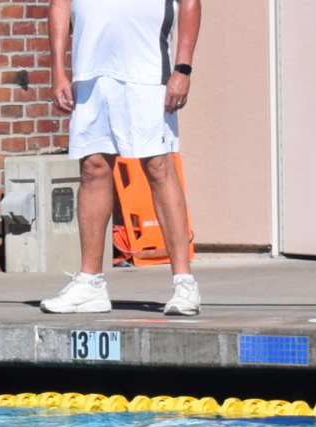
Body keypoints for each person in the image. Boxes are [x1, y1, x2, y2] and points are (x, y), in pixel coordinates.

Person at [42, 0, 202, 316]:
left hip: (147, 70)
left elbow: (190, 4)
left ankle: (184, 283)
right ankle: (91, 284)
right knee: (92, 168)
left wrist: (182, 68)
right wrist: (58, 70)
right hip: (90, 72)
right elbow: (59, 5)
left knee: (158, 167)